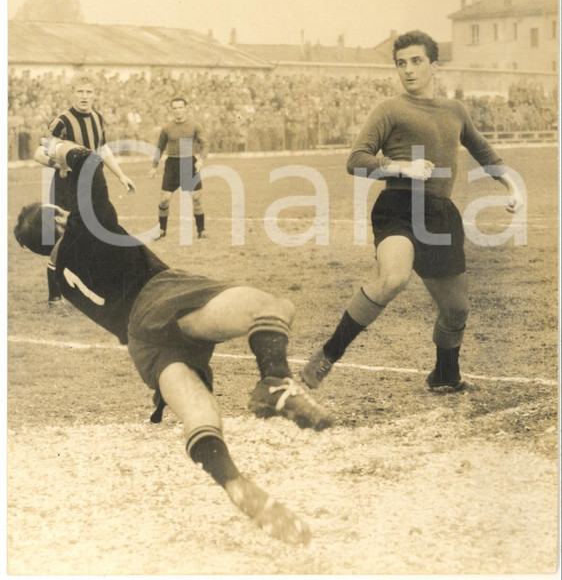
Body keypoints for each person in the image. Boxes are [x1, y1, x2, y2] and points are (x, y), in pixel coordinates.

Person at [14, 138, 334, 545]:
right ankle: (275, 380)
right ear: (60, 219)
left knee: (200, 416)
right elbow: (92, 164)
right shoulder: (83, 231)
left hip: (141, 343)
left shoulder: (59, 273)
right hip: (160, 296)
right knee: (270, 307)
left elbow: (67, 246)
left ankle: (233, 482)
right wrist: (59, 150)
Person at [301, 30, 525, 393]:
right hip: (398, 206)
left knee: (456, 309)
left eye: (416, 61)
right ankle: (328, 355)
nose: (407, 70)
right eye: (401, 63)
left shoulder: (455, 110)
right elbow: (355, 160)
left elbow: (484, 152)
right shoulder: (389, 109)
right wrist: (399, 167)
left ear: (434, 66)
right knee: (393, 277)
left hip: (439, 214)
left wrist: (512, 187)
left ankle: (444, 376)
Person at [35, 72, 136, 307]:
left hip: (95, 182)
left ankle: (100, 286)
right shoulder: (62, 120)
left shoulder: (98, 118)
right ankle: (54, 295)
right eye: (80, 91)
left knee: (104, 227)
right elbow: (39, 152)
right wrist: (56, 162)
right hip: (68, 185)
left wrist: (121, 175)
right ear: (72, 94)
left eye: (89, 91)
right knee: (68, 235)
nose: (84, 96)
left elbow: (103, 149)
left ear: (95, 94)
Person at [149, 96, 207, 240]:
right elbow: (160, 147)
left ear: (186, 109)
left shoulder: (195, 126)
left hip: (189, 163)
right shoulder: (167, 128)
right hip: (172, 164)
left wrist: (201, 160)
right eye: (174, 108)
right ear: (171, 110)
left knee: (197, 198)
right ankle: (162, 230)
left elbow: (205, 144)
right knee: (164, 199)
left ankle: (201, 230)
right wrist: (154, 166)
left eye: (180, 107)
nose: (178, 111)